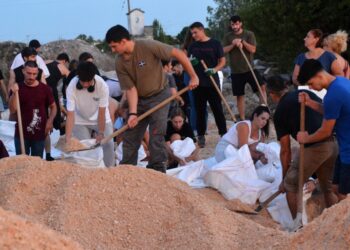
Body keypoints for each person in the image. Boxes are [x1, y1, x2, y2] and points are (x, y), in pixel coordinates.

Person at [105, 24, 198, 173]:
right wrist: (133, 114)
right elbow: (130, 88)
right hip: (140, 100)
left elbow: (178, 53)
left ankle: (157, 168)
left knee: (156, 133)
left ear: (123, 41)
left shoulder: (147, 46)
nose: (113, 50)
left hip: (160, 96)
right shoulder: (119, 62)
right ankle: (127, 169)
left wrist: (193, 76)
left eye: (114, 46)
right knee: (131, 135)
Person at [266, 74, 338, 220]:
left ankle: (297, 228)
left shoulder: (280, 112)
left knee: (291, 185)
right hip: (334, 142)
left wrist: (284, 179)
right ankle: (333, 223)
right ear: (286, 87)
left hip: (315, 146)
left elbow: (285, 150)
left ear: (272, 94)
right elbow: (326, 110)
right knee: (327, 187)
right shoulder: (306, 94)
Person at [297, 59, 350, 200]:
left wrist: (306, 138)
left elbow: (325, 131)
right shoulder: (341, 81)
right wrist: (311, 103)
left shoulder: (333, 95)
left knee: (344, 196)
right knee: (335, 187)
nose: (312, 88)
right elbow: (332, 112)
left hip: (348, 150)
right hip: (344, 147)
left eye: (311, 84)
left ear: (319, 76)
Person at [65, 61, 115, 167]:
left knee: (108, 144)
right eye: (83, 82)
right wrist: (68, 137)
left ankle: (110, 170)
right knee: (82, 147)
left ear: (93, 77)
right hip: (79, 119)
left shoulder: (102, 85)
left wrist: (101, 133)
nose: (85, 85)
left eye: (88, 82)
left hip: (100, 118)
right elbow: (70, 114)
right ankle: (87, 172)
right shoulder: (72, 86)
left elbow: (102, 111)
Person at [188, 21, 227, 147]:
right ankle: (201, 136)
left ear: (202, 30)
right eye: (192, 33)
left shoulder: (215, 44)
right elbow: (188, 61)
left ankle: (224, 134)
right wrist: (191, 63)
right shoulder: (193, 46)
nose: (193, 35)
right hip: (198, 83)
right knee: (200, 111)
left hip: (212, 82)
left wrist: (214, 69)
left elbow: (222, 61)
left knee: (217, 109)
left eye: (195, 32)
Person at [8, 61, 56, 157]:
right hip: (21, 133)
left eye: (34, 74)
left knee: (37, 163)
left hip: (39, 134)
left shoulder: (45, 89)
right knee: (22, 163)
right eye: (29, 73)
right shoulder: (17, 89)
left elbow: (53, 107)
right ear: (23, 71)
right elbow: (13, 110)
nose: (31, 77)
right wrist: (13, 94)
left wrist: (50, 121)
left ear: (37, 73)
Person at [223, 15, 267, 120]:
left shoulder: (249, 34)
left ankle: (264, 111)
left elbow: (253, 50)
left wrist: (242, 42)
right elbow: (223, 50)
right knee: (239, 95)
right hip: (236, 71)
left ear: (241, 23)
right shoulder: (228, 36)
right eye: (233, 24)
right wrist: (233, 44)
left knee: (262, 87)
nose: (234, 26)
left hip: (250, 68)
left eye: (236, 24)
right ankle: (242, 118)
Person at [46, 53, 70, 136]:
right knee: (55, 113)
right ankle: (56, 132)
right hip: (52, 90)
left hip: (40, 88)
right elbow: (71, 78)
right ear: (64, 61)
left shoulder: (46, 62)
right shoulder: (61, 66)